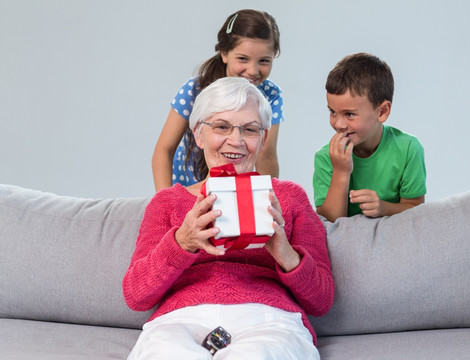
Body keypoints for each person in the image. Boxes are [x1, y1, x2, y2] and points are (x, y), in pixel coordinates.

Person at [124, 77, 334, 359]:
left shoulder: (289, 198)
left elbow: (321, 301)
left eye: (249, 130)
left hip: (267, 318)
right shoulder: (167, 202)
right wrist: (181, 242)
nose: (235, 141)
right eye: (221, 127)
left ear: (263, 139)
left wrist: (285, 254)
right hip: (181, 320)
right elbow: (136, 295)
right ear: (198, 135)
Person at [152, 9, 283, 191]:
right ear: (224, 53)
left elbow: (266, 156)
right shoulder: (195, 90)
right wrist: (165, 200)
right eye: (243, 59)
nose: (253, 70)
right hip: (188, 187)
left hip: (233, 189)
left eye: (264, 61)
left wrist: (266, 198)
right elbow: (164, 150)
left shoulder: (270, 95)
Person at [313, 52, 426, 222]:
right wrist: (341, 171)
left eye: (349, 114)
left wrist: (383, 207)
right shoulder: (326, 157)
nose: (338, 124)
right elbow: (328, 225)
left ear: (382, 112)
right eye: (333, 112)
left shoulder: (409, 149)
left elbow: (416, 210)